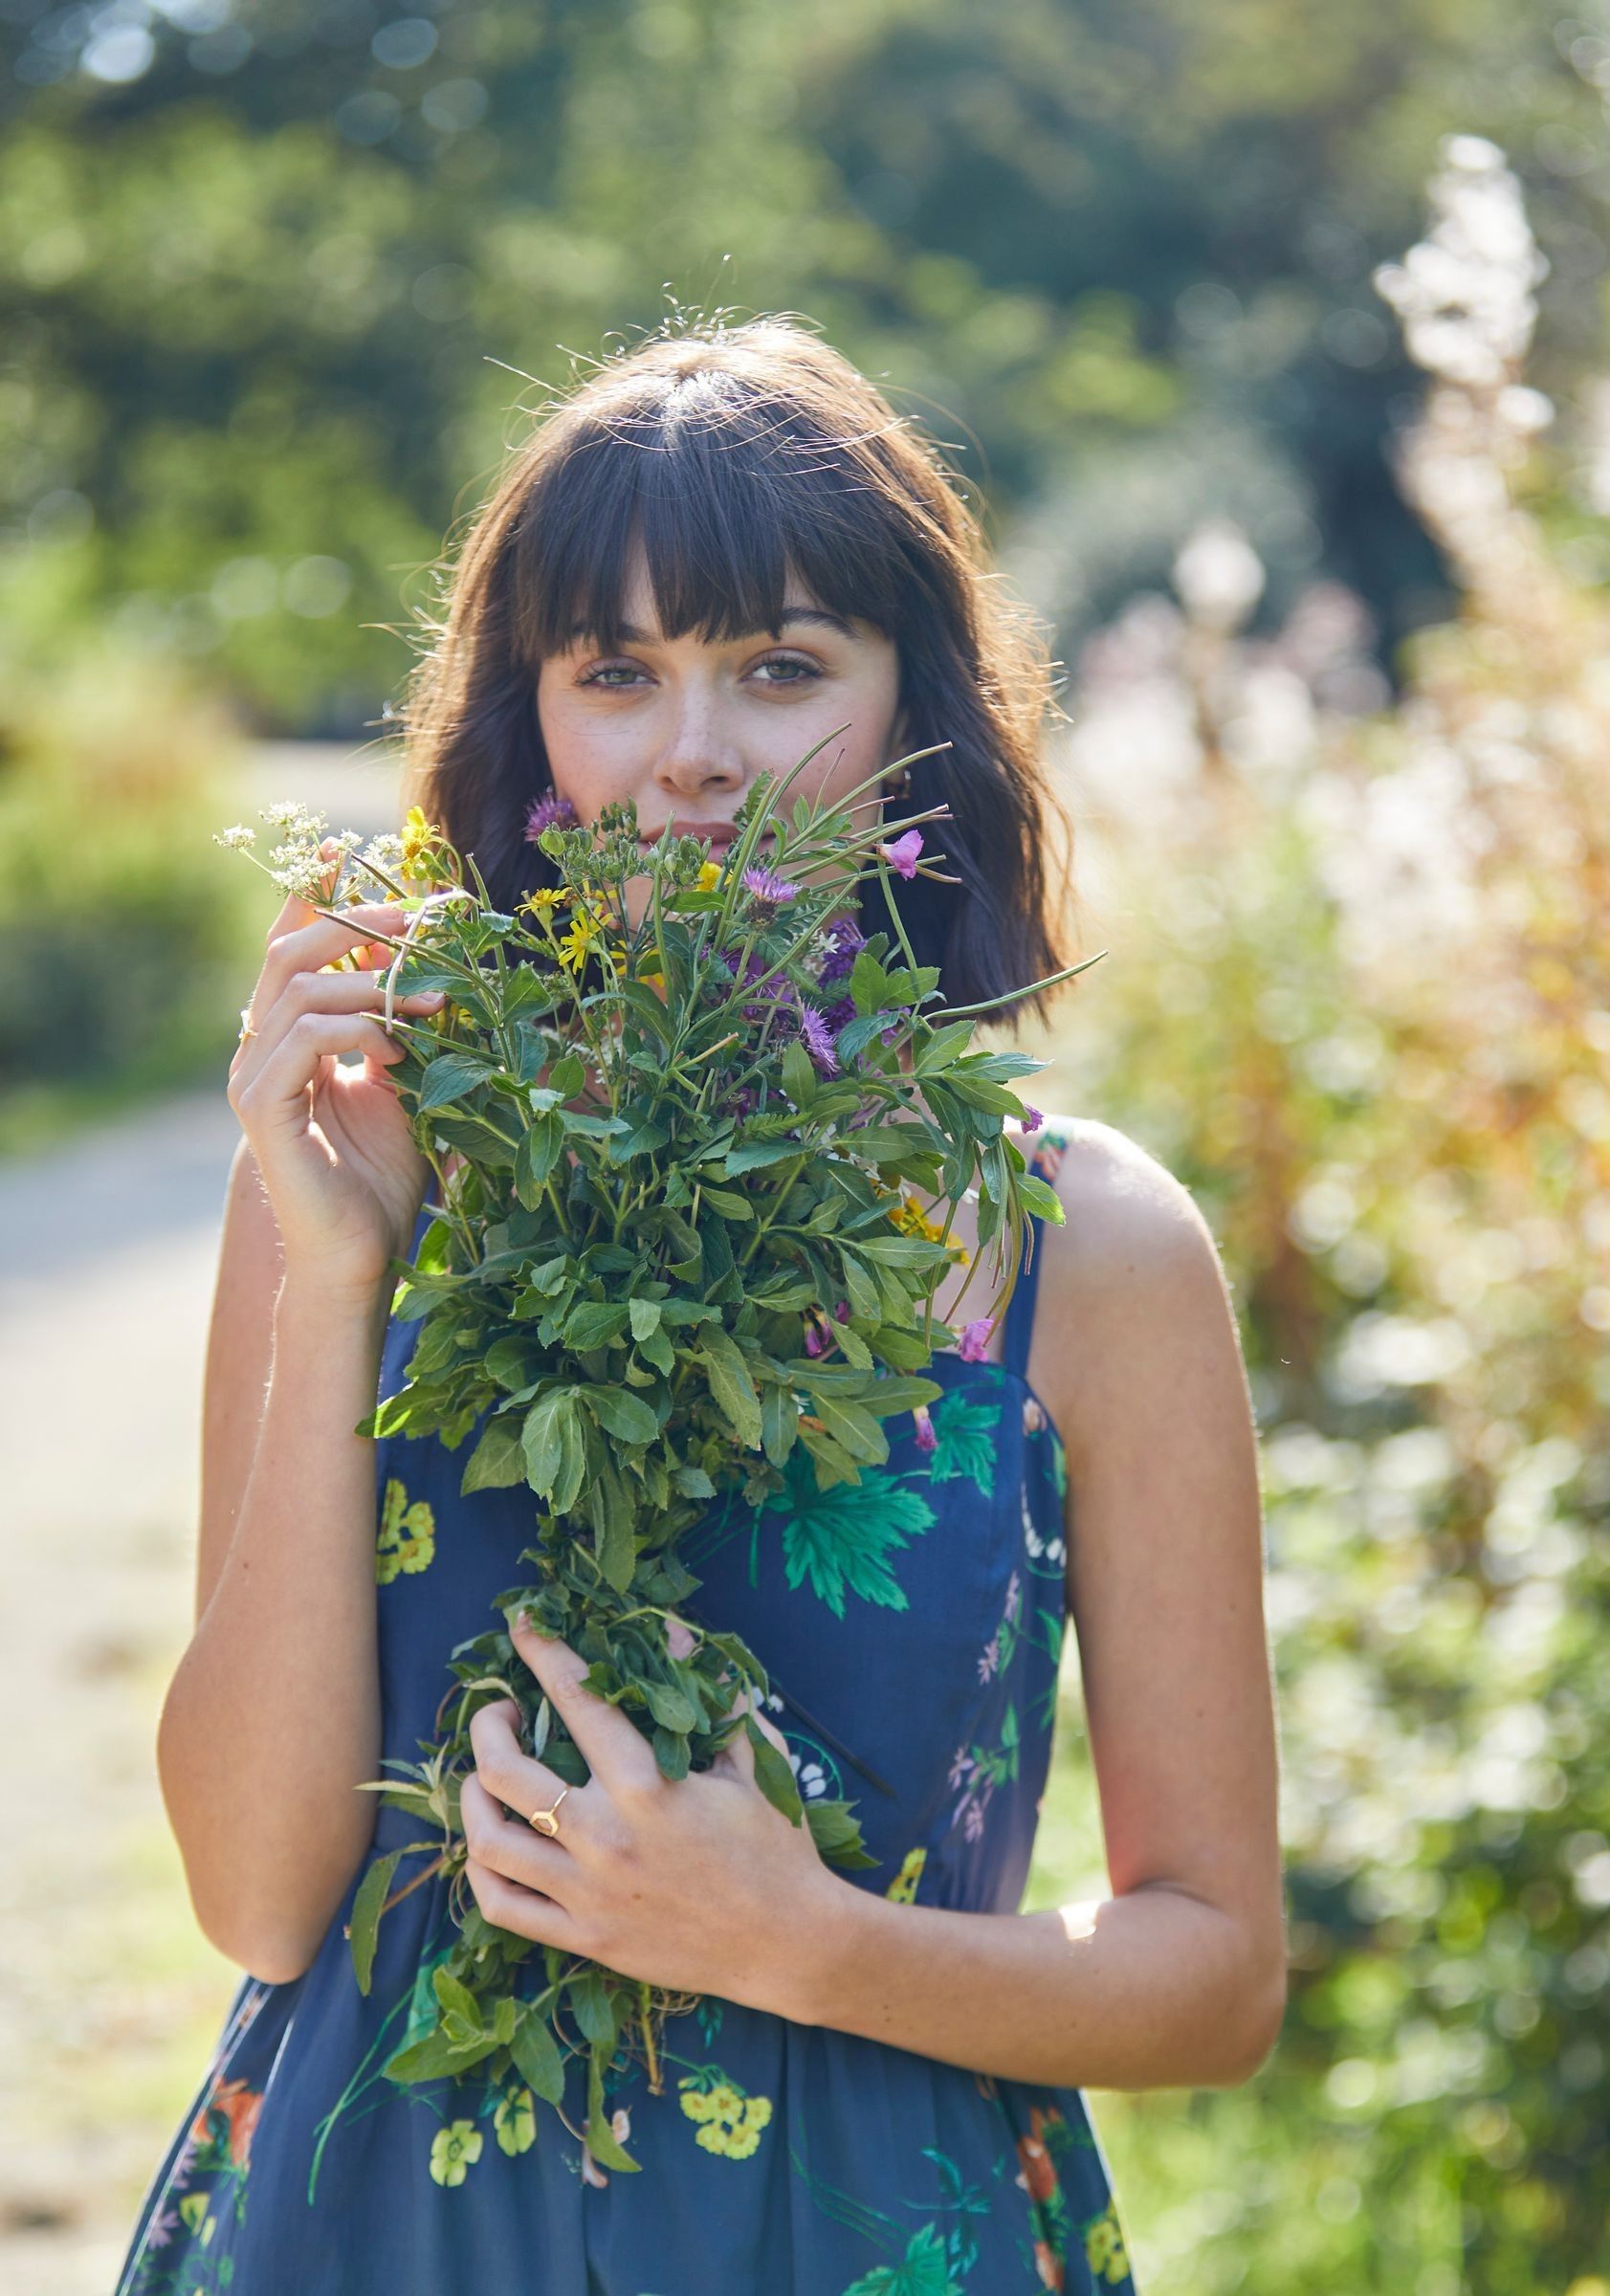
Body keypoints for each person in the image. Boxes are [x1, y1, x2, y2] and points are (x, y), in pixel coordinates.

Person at [114, 314, 1284, 2294]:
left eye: (782, 667)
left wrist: (804, 1944)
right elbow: (254, 1895)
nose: (694, 756)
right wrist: (339, 1274)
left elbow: (1219, 1976)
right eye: (616, 673)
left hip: (861, 2233)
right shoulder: (360, 1180)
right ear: (533, 728)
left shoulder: (1084, 1251)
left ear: (919, 712)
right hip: (374, 2232)